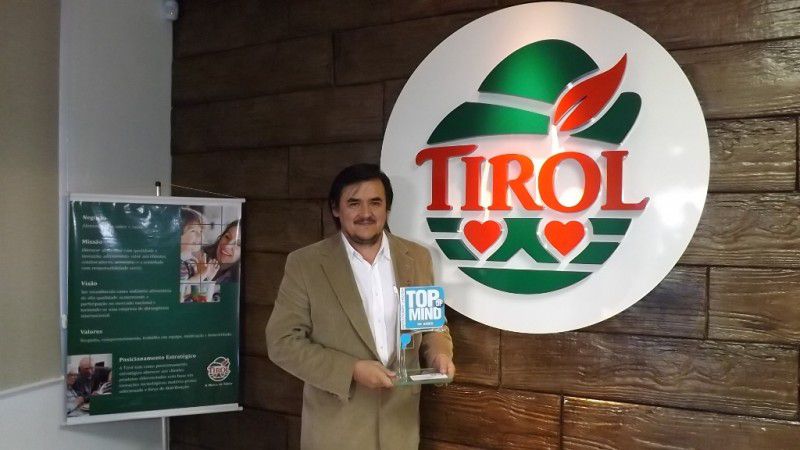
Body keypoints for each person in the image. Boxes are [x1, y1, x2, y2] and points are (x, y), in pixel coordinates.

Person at [266, 164, 455, 450]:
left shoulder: (417, 257)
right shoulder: (306, 264)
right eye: (354, 203)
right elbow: (282, 342)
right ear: (336, 209)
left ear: (387, 209)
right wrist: (351, 370)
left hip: (400, 430)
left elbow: (432, 325)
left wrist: (440, 354)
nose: (366, 213)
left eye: (375, 202)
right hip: (335, 432)